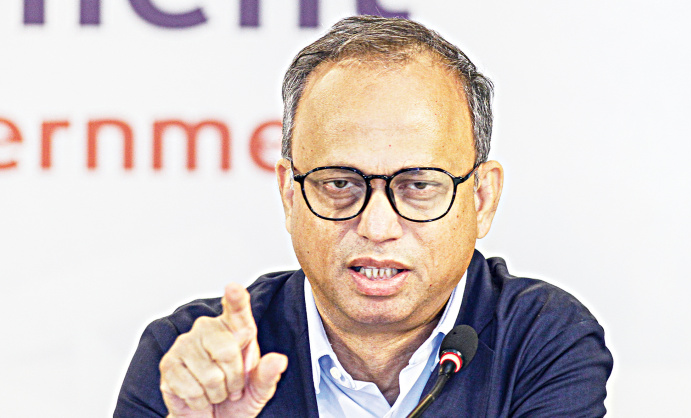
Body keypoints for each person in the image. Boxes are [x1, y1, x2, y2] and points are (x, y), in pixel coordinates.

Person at [115, 16, 613, 418]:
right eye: (339, 184)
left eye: (418, 185)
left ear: (481, 199)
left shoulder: (542, 338)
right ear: (289, 194)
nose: (376, 227)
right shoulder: (196, 365)